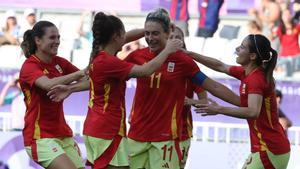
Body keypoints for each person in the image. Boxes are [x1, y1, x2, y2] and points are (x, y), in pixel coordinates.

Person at [47, 11, 183, 169]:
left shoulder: (101, 56)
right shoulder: (109, 62)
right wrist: (167, 50)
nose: (126, 37)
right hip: (106, 130)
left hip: (99, 129)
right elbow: (146, 71)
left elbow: (94, 81)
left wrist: (150, 30)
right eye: (123, 34)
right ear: (116, 36)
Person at [124, 8, 240, 169]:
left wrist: (242, 102)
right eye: (147, 33)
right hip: (136, 134)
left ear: (167, 33)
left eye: (155, 33)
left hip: (165, 138)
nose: (150, 38)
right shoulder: (136, 56)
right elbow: (111, 68)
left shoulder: (183, 61)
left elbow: (211, 85)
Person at [188, 34, 290, 168]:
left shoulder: (255, 79)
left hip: (270, 149)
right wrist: (189, 54)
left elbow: (253, 112)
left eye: (242, 47)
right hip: (270, 148)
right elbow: (220, 66)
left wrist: (219, 109)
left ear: (252, 56)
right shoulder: (248, 73)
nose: (237, 49)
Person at [19, 20, 86, 169]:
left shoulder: (60, 62)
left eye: (58, 38)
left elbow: (91, 81)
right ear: (38, 40)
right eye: (52, 38)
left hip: (63, 134)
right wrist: (80, 73)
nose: (57, 42)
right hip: (39, 138)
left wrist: (70, 89)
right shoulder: (30, 66)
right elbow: (48, 84)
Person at [169, 26, 208, 168]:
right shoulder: (153, 64)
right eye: (170, 37)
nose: (174, 40)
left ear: (183, 43)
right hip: (153, 132)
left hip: (181, 132)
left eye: (178, 37)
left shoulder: (190, 67)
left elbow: (205, 100)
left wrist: (190, 101)